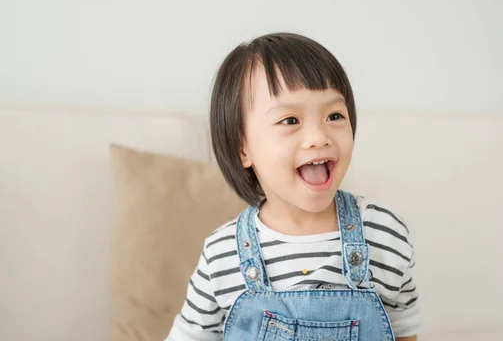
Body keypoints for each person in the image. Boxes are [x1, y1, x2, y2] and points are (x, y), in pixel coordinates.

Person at [167, 32, 420, 340]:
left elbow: (405, 328)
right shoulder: (222, 254)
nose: (318, 136)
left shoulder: (382, 231)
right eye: (290, 120)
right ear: (242, 148)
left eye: (334, 115)